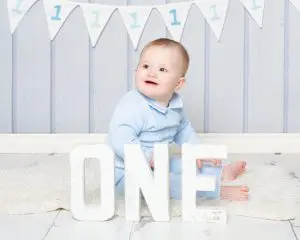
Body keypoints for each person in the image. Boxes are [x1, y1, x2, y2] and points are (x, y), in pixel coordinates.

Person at [108, 38, 249, 201]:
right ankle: (217, 191)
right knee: (170, 184)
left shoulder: (174, 106)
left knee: (186, 164)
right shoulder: (133, 105)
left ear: (178, 83)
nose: (151, 73)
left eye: (162, 69)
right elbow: (120, 139)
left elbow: (184, 132)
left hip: (157, 163)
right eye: (145, 66)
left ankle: (221, 172)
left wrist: (198, 151)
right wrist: (147, 157)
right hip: (127, 174)